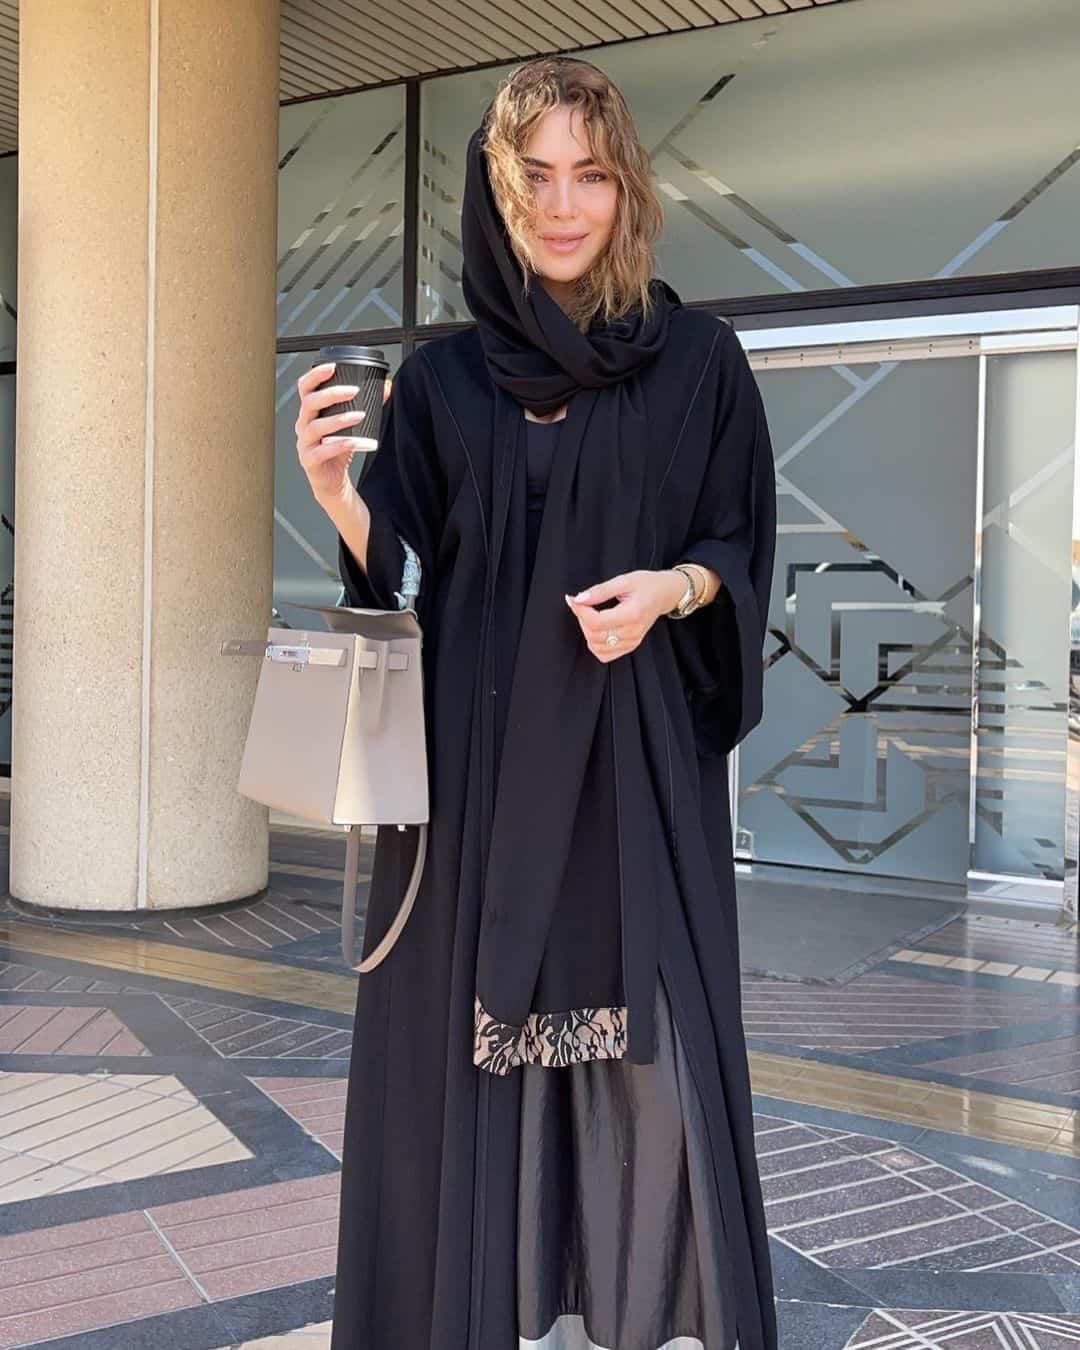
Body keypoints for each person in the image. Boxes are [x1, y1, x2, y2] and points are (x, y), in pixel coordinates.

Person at [295, 55, 777, 1350]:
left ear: (629, 189)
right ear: (495, 194)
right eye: (537, 178)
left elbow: (738, 548)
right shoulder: (444, 383)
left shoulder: (699, 363)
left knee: (663, 1062)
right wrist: (342, 498)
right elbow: (403, 585)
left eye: (592, 175)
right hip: (478, 787)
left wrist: (671, 590)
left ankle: (654, 1311)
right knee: (470, 1060)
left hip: (639, 775)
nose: (565, 207)